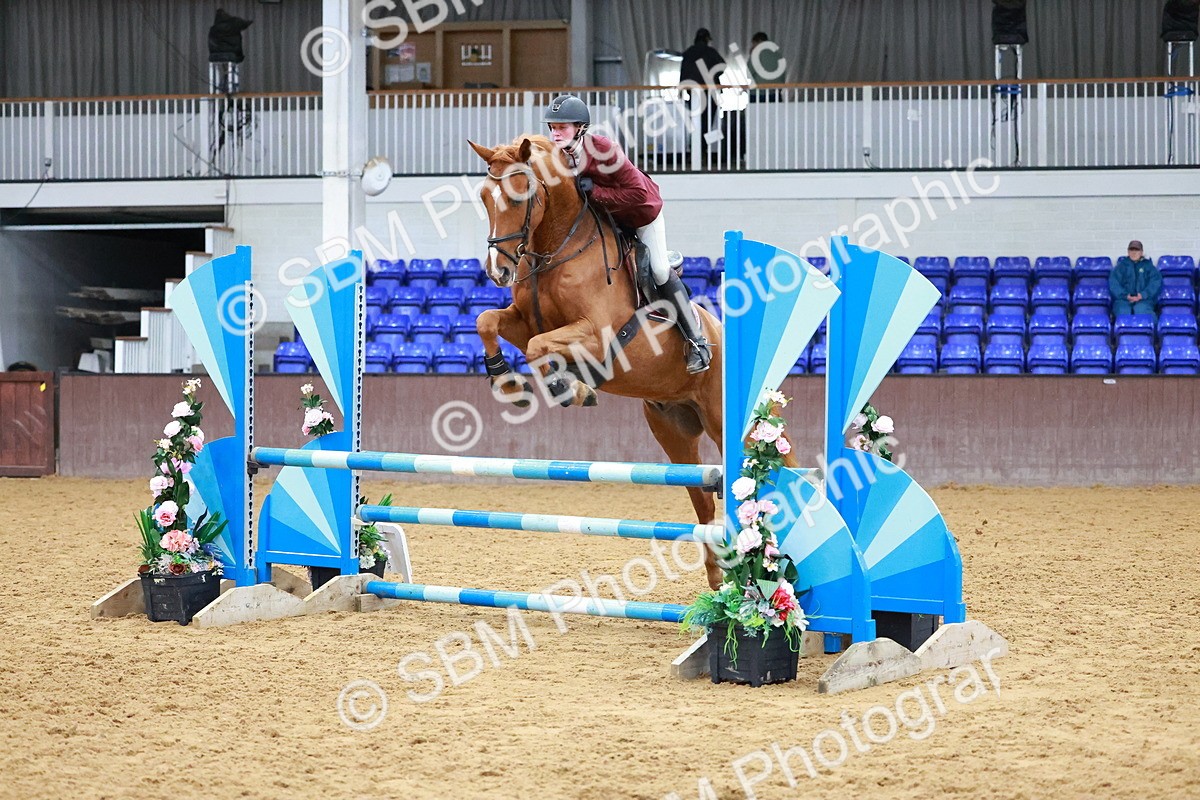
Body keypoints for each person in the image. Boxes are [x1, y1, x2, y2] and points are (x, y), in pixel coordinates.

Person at [541, 95, 711, 374]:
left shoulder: (603, 149)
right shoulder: (557, 157)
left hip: (642, 215)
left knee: (657, 269)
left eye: (563, 127)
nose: (555, 132)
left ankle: (697, 342)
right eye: (552, 127)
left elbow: (638, 193)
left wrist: (595, 192)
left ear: (581, 128)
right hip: (609, 223)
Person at [679, 28, 726, 163]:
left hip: (693, 93)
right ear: (707, 39)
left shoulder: (688, 53)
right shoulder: (711, 52)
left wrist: (681, 89)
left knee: (694, 123)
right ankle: (703, 150)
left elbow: (683, 72)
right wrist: (711, 76)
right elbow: (722, 66)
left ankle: (694, 150)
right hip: (710, 93)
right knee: (707, 123)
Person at [1109, 240, 1162, 317]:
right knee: (1123, 311)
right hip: (1123, 300)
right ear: (1128, 252)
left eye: (1137, 250)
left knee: (1142, 311)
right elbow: (1114, 284)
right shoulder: (1121, 267)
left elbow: (1155, 283)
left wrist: (1143, 295)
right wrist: (1125, 295)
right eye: (1131, 250)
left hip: (1144, 300)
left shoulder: (1149, 267)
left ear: (1141, 252)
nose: (1134, 253)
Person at [748, 31, 784, 100]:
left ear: (758, 41)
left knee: (756, 110)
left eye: (753, 44)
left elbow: (749, 73)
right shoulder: (778, 54)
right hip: (775, 92)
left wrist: (751, 54)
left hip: (759, 93)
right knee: (775, 110)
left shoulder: (756, 54)